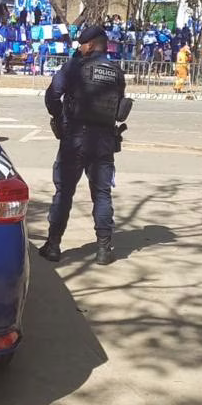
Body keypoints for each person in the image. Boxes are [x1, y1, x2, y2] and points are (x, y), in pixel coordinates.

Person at [38, 25, 127, 266]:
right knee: (102, 194)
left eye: (82, 44)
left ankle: (54, 245)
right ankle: (103, 249)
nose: (80, 48)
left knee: (64, 192)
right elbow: (119, 110)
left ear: (89, 45)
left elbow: (52, 95)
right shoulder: (116, 72)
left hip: (75, 139)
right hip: (104, 142)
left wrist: (58, 119)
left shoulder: (75, 67)